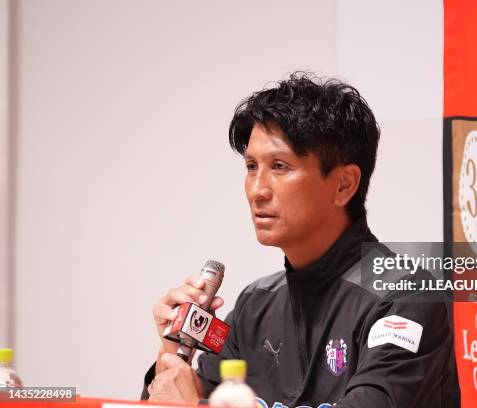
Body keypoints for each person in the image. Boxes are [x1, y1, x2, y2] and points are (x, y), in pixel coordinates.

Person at [141, 72, 459, 407]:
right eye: (251, 166)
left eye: (279, 166)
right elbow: (177, 397)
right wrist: (171, 354)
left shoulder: (405, 296)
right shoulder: (255, 304)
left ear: (343, 185)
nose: (257, 190)